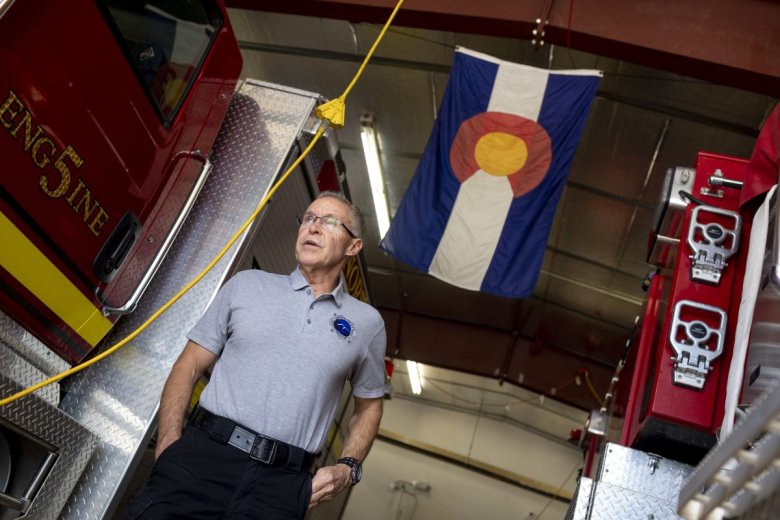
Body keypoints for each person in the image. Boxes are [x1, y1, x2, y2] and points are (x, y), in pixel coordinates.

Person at [125, 191, 386, 519]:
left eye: (330, 222)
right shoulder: (246, 285)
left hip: (282, 487)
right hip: (200, 458)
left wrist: (348, 468)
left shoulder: (367, 323)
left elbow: (369, 407)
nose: (314, 227)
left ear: (353, 247)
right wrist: (168, 443)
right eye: (308, 218)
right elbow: (189, 364)